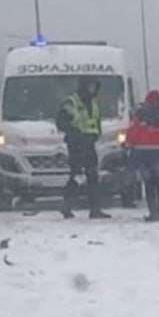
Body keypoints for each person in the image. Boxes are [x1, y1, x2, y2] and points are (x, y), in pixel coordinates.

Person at [57, 77, 110, 219]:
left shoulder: (93, 102)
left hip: (89, 143)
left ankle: (95, 209)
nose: (92, 89)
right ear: (84, 86)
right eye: (90, 86)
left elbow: (96, 121)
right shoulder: (71, 102)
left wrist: (96, 133)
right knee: (77, 175)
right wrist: (75, 133)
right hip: (76, 144)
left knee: (93, 176)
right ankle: (66, 205)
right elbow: (61, 122)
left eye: (94, 86)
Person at [126, 90, 159, 222]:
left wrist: (129, 144)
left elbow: (132, 132)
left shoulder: (140, 115)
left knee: (149, 185)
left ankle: (153, 212)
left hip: (144, 154)